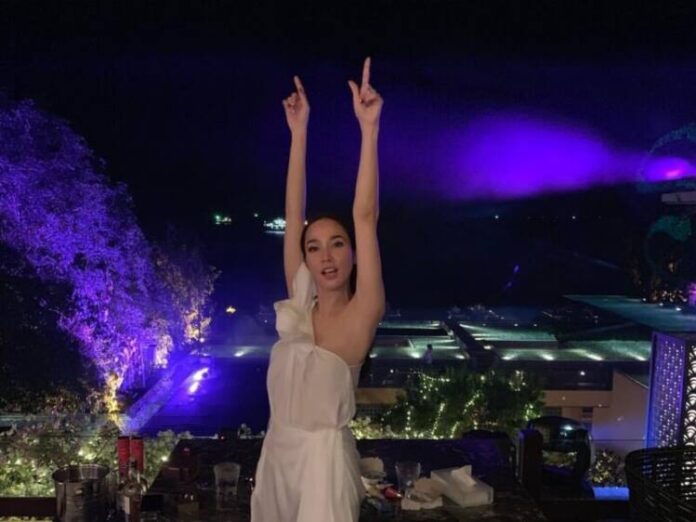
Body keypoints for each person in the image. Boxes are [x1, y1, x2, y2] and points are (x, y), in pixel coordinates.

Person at [250, 57, 386, 522]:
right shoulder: (299, 304)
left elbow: (365, 216)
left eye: (337, 244)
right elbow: (294, 216)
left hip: (324, 471)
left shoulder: (362, 313)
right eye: (314, 247)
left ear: (353, 254)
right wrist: (298, 132)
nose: (325, 257)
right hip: (277, 457)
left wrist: (369, 129)